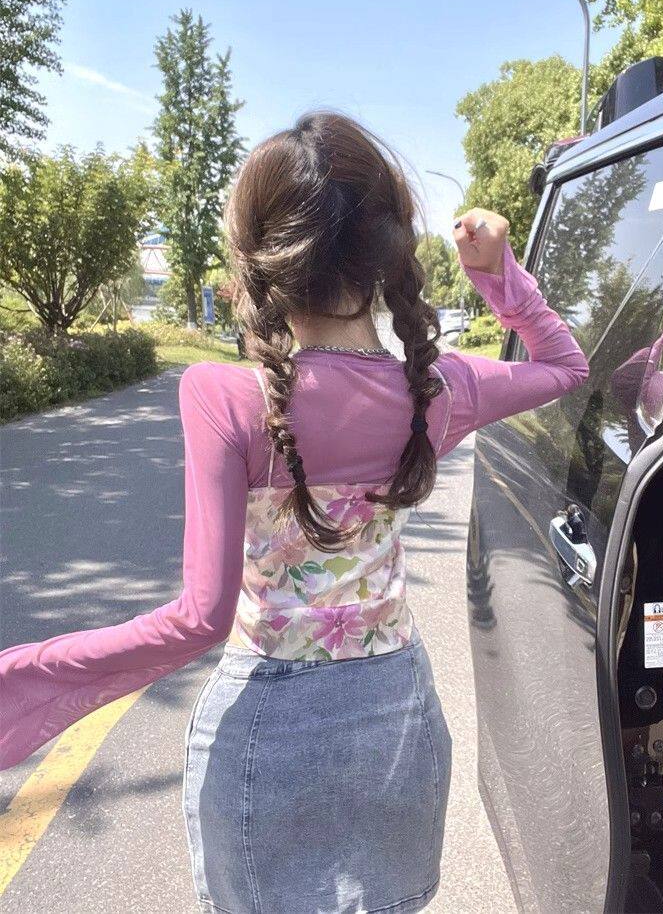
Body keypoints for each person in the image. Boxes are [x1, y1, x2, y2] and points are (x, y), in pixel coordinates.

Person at [0, 112, 589, 914]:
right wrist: (498, 273)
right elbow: (565, 365)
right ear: (387, 248)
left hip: (264, 735)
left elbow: (196, 622)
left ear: (256, 257)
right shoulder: (440, 391)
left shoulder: (224, 396)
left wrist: (23, 678)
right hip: (397, 721)